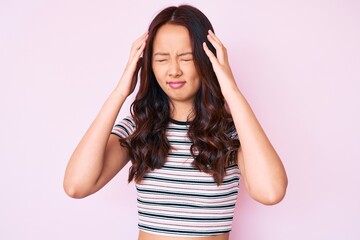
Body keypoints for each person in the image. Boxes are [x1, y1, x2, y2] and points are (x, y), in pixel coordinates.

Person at [63, 5, 288, 240]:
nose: (173, 71)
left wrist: (230, 89)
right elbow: (76, 186)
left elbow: (271, 192)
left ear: (207, 61)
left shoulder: (232, 133)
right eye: (161, 59)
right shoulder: (138, 128)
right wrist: (120, 92)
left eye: (186, 58)